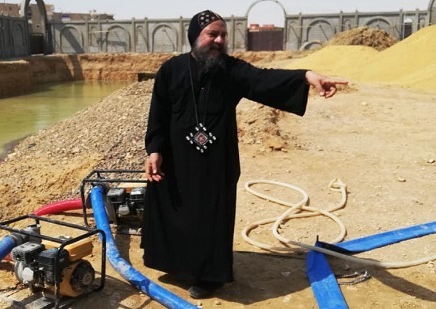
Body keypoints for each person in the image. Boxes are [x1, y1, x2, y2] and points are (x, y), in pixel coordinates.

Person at [141, 9, 348, 299]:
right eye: (212, 34)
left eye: (223, 35)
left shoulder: (231, 70)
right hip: (176, 159)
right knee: (174, 207)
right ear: (195, 36)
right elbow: (158, 112)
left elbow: (264, 80)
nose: (219, 39)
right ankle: (176, 264)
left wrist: (307, 76)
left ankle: (208, 278)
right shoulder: (171, 70)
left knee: (209, 216)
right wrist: (154, 149)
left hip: (215, 163)